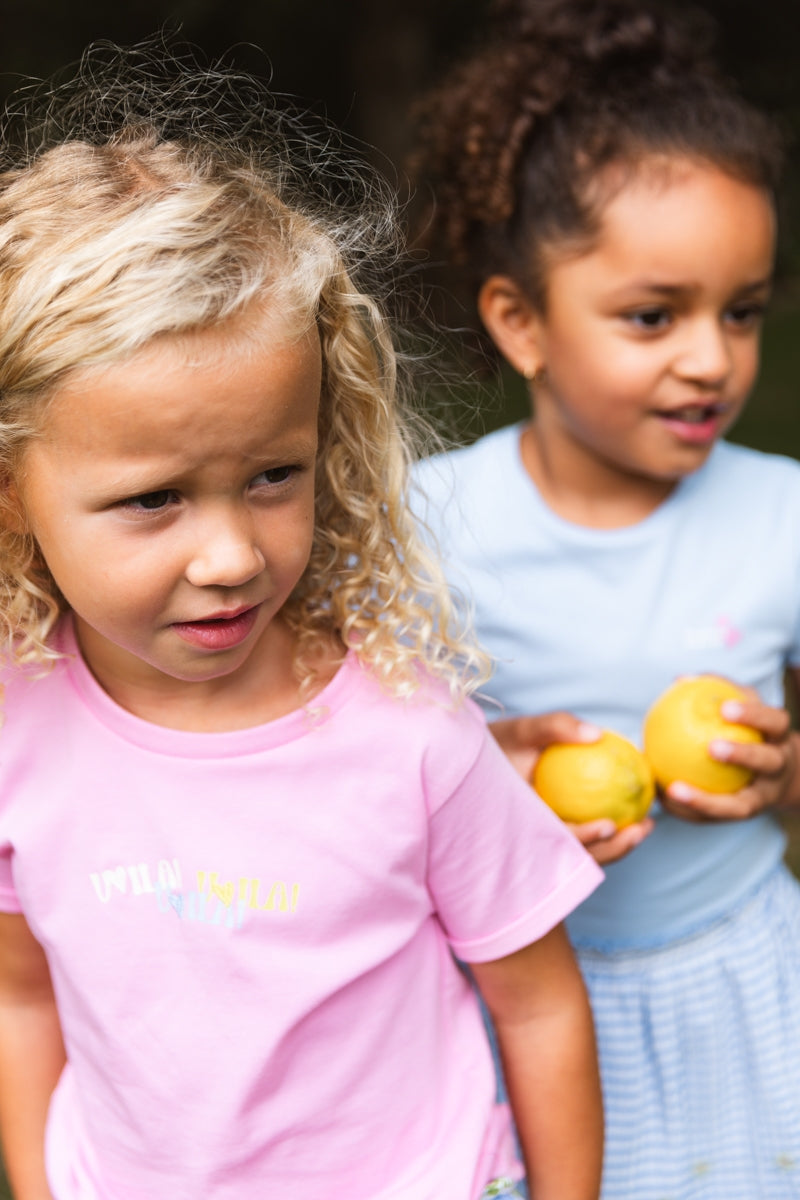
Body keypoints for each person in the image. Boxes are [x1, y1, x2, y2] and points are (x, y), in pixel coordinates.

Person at [0, 39, 605, 1200]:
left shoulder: (405, 730)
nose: (230, 556)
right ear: (15, 495)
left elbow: (535, 1006)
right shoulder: (17, 719)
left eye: (271, 476)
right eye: (153, 499)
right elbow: (24, 991)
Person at [410, 1, 800, 1196]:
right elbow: (355, 782)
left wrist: (786, 778)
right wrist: (488, 771)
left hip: (739, 979)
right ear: (517, 323)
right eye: (651, 315)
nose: (709, 359)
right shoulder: (426, 529)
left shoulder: (781, 514)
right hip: (529, 1001)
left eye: (740, 311)